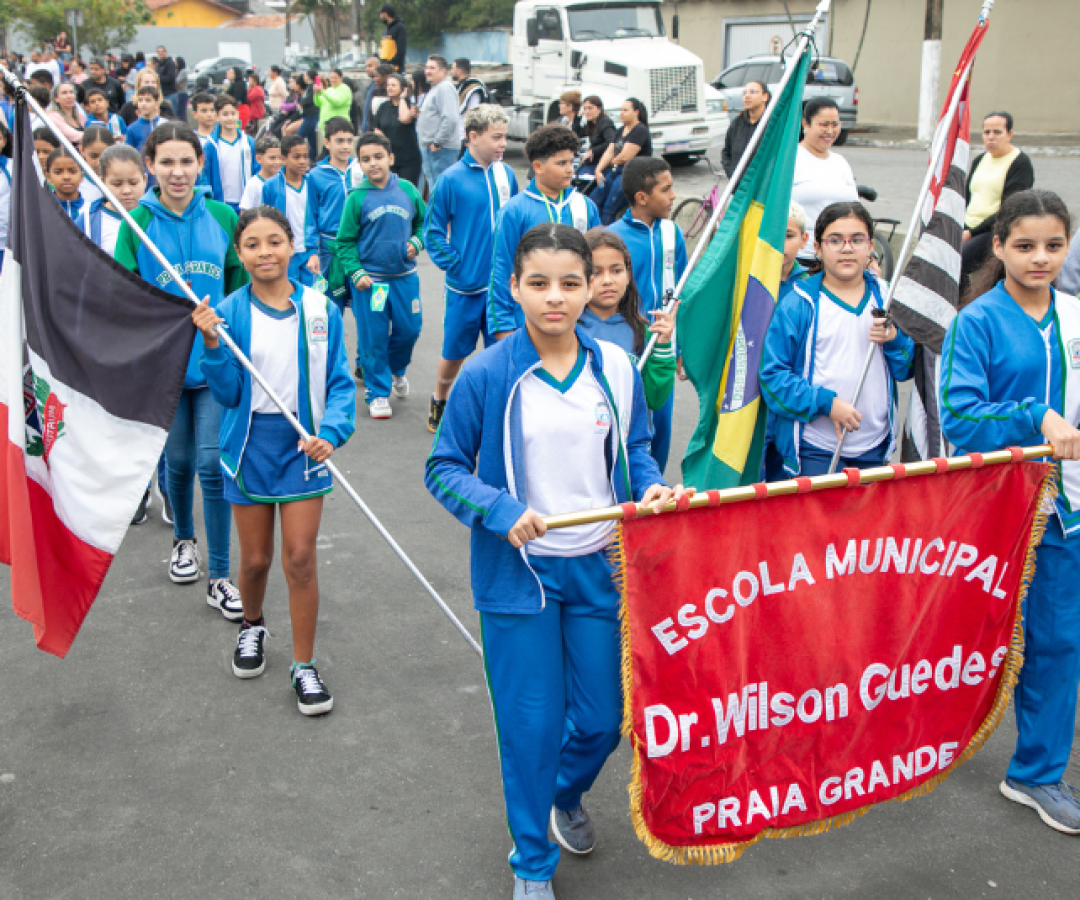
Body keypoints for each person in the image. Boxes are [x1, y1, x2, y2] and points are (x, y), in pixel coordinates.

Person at [425, 222, 683, 900]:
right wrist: (503, 511)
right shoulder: (487, 374)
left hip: (600, 567)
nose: (556, 298)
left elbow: (638, 449)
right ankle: (531, 863)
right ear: (514, 288)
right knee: (531, 728)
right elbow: (443, 469)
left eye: (571, 283)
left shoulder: (617, 366)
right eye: (538, 284)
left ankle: (560, 795)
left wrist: (650, 483)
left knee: (602, 721)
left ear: (591, 285)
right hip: (521, 578)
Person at [938, 189, 1080, 833]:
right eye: (1024, 246)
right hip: (995, 511)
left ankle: (1036, 773)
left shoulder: (1075, 316)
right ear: (997, 247)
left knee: (1054, 641)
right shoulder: (979, 321)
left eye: (1054, 245)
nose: (1040, 258)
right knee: (964, 638)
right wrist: (1032, 417)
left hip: (1064, 510)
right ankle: (895, 747)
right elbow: (960, 418)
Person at [192, 206, 355, 716]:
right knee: (257, 559)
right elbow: (228, 393)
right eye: (253, 244)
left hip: (302, 447)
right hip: (248, 446)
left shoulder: (320, 309)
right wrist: (212, 342)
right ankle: (252, 625)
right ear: (238, 254)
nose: (265, 252)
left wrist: (331, 432)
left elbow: (340, 383)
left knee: (300, 559)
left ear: (292, 245)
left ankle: (303, 665)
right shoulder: (230, 311)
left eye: (275, 241)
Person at [114, 123, 246, 617]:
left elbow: (239, 287)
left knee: (213, 466)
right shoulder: (136, 224)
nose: (177, 172)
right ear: (150, 166)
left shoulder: (221, 214)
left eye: (186, 161)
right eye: (166, 162)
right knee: (180, 463)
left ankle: (219, 574)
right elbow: (121, 295)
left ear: (200, 164)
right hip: (163, 370)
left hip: (214, 362)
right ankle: (183, 542)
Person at [761, 201, 914, 478]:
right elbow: (773, 379)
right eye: (835, 240)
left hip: (875, 448)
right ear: (818, 248)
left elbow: (906, 367)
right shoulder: (799, 303)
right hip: (815, 450)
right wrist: (825, 403)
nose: (847, 248)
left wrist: (894, 339)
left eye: (857, 240)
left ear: (870, 247)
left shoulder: (887, 296)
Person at [424, 104, 519, 431]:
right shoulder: (451, 179)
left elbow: (517, 221)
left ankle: (496, 414)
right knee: (454, 350)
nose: (502, 144)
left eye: (505, 137)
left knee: (502, 353)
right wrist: (455, 263)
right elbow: (432, 231)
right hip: (466, 288)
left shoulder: (506, 174)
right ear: (472, 137)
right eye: (496, 137)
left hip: (502, 289)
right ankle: (440, 398)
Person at [335, 131, 425, 419]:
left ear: (391, 158)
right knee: (373, 337)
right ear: (359, 164)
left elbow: (424, 224)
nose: (373, 163)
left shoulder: (409, 191)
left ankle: (396, 370)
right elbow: (344, 242)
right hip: (373, 284)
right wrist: (356, 271)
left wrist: (416, 242)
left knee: (409, 330)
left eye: (378, 157)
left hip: (404, 280)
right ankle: (377, 392)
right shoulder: (356, 198)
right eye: (365, 159)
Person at [609, 156, 687, 471]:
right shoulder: (614, 238)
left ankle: (652, 490)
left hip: (662, 345)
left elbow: (682, 288)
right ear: (642, 197)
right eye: (666, 190)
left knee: (661, 426)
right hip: (627, 346)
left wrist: (678, 346)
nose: (673, 196)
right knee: (626, 422)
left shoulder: (672, 233)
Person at [488, 125, 601, 338]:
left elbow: (595, 264)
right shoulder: (514, 211)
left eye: (571, 162)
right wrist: (503, 327)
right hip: (527, 324)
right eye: (561, 163)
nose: (570, 169)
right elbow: (501, 269)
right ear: (538, 167)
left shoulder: (585, 206)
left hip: (578, 323)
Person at [579, 227, 677, 413]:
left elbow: (654, 399)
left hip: (629, 438)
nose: (608, 280)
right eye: (596, 272)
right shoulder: (568, 330)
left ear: (628, 275)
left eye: (616, 271)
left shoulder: (643, 332)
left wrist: (663, 345)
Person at [961, 111, 1035, 289]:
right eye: (987, 132)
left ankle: (963, 308)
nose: (991, 137)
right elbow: (966, 198)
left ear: (1009, 134)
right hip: (968, 227)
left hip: (994, 230)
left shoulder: (1019, 163)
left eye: (997, 132)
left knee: (957, 260)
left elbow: (1010, 208)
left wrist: (971, 233)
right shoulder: (980, 160)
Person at [791, 97, 858, 260]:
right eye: (824, 124)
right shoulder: (790, 160)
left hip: (841, 258)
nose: (830, 131)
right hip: (803, 257)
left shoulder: (840, 162)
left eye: (835, 125)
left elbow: (856, 210)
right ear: (805, 124)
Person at [309, 117, 359, 310]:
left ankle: (369, 341)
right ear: (327, 142)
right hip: (329, 248)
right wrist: (313, 251)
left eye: (349, 140)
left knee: (364, 306)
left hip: (358, 246)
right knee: (328, 307)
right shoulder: (316, 174)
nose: (345, 146)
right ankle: (331, 341)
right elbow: (311, 216)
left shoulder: (361, 168)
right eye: (339, 141)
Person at [258, 134, 320, 287]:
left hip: (307, 252)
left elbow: (316, 218)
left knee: (308, 296)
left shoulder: (313, 184)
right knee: (286, 293)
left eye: (305, 157)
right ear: (284, 158)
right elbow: (266, 221)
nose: (302, 161)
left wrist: (314, 252)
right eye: (296, 156)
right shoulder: (271, 186)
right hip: (284, 252)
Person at [77, 143, 146, 256]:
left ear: (145, 180)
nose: (126, 191)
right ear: (102, 183)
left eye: (133, 183)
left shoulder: (155, 216)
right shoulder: (87, 222)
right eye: (117, 184)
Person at [591, 98, 651, 225]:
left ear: (636, 112)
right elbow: (610, 150)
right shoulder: (622, 129)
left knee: (609, 208)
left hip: (630, 175)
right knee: (593, 201)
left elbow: (625, 156)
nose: (621, 113)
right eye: (621, 110)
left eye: (625, 110)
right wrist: (599, 170)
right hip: (614, 171)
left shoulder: (640, 130)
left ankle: (605, 237)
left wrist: (612, 162)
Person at [416, 55, 460, 189]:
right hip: (433, 149)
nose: (427, 71)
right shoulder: (435, 88)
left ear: (443, 71)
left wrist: (438, 141)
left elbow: (451, 118)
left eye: (432, 68)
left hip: (441, 150)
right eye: (427, 67)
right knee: (434, 186)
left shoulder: (444, 88)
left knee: (440, 189)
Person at [210, 94, 258, 211]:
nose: (230, 118)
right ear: (217, 117)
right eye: (225, 114)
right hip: (222, 203)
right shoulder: (211, 145)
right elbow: (206, 177)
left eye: (233, 113)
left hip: (246, 203)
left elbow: (257, 170)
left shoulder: (248, 142)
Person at [373, 72, 421, 188]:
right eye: (388, 85)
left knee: (406, 190)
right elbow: (377, 128)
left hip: (408, 159)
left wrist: (402, 99)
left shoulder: (411, 105)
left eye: (393, 85)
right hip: (389, 157)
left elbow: (405, 118)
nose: (389, 88)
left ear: (403, 88)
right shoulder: (383, 106)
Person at [722, 79, 770, 178]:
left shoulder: (772, 125)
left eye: (752, 92)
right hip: (738, 186)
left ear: (765, 96)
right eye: (744, 93)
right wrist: (731, 172)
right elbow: (726, 152)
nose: (747, 96)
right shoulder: (737, 123)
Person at [577, 95, 615, 182]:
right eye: (585, 109)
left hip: (602, 163)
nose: (587, 111)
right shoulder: (591, 125)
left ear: (599, 109)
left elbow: (611, 142)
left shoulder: (605, 122)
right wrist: (578, 117)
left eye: (590, 108)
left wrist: (593, 151)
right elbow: (577, 133)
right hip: (592, 162)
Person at [240, 135, 283, 211]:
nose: (277, 162)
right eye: (272, 158)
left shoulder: (283, 181)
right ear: (259, 159)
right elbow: (245, 213)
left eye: (279, 158)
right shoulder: (253, 184)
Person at [451, 58, 488, 147]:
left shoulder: (473, 88)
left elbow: (473, 112)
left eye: (452, 68)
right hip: (458, 137)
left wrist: (468, 134)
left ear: (459, 71)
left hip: (466, 137)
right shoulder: (461, 86)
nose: (451, 71)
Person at [77, 123, 113, 207]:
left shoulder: (121, 182)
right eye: (93, 156)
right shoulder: (77, 184)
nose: (99, 162)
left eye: (105, 155)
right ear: (81, 150)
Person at [45, 146, 84, 220]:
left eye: (72, 171)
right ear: (48, 177)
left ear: (81, 176)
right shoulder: (42, 209)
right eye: (58, 172)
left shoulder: (91, 210)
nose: (66, 177)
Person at [124, 85, 165, 153]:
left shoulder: (164, 124)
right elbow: (128, 155)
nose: (143, 104)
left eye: (148, 100)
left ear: (156, 103)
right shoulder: (132, 129)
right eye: (140, 100)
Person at [313, 69, 353, 138]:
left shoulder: (345, 89)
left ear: (341, 78)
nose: (332, 80)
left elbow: (337, 102)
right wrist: (316, 94)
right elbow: (318, 103)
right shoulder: (329, 90)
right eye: (331, 78)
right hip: (326, 128)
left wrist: (322, 91)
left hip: (339, 127)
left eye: (335, 78)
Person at [378, 3, 408, 72]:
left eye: (381, 14)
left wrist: (389, 63)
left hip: (395, 69)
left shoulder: (400, 28)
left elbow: (401, 51)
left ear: (385, 14)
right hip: (385, 69)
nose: (380, 16)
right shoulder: (386, 29)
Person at [359, 57, 384, 132]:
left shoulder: (381, 86)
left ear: (378, 66)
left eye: (370, 66)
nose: (367, 69)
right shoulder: (372, 85)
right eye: (366, 66)